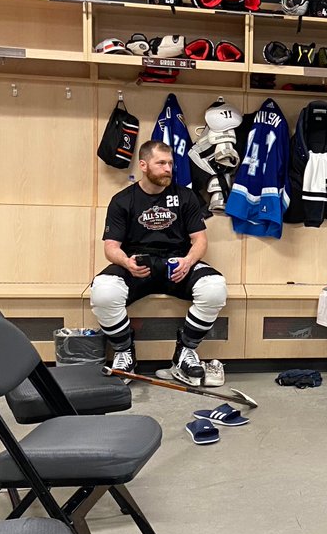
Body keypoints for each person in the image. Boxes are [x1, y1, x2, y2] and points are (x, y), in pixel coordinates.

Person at [90, 140, 227, 385]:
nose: (168, 168)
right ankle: (124, 352)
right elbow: (111, 248)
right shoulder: (123, 200)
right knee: (102, 292)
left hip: (176, 266)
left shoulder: (185, 197)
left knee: (215, 287)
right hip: (138, 267)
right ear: (143, 165)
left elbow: (200, 241)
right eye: (161, 163)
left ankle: (185, 352)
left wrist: (188, 261)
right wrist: (127, 262)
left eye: (171, 163)